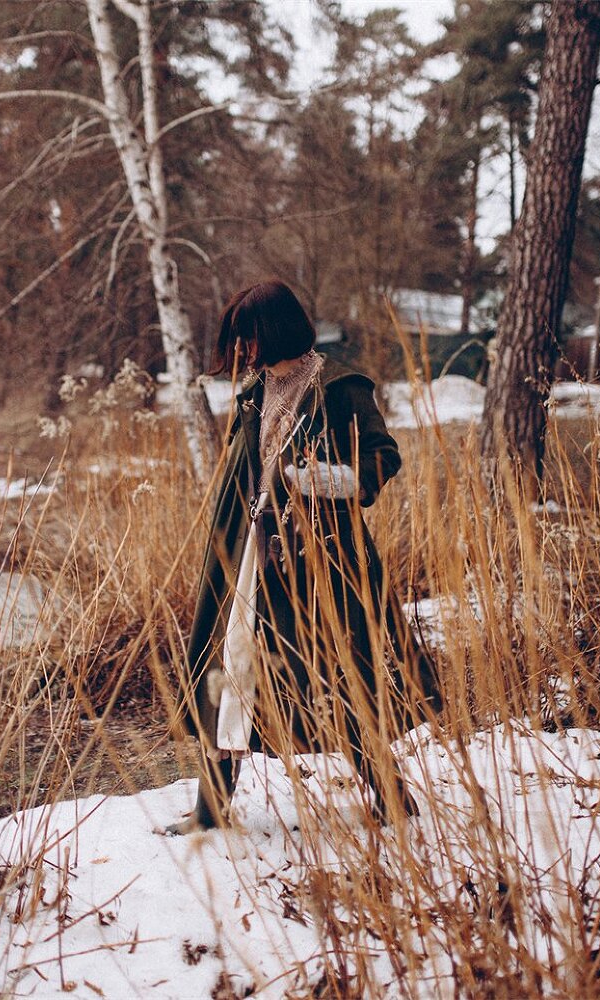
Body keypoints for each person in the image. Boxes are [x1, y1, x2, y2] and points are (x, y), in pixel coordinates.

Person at [166, 280, 440, 835]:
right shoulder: (253, 393)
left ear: (275, 331)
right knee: (232, 666)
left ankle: (391, 794)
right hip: (248, 553)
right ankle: (210, 808)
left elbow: (383, 458)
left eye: (249, 337)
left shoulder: (339, 387)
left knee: (337, 673)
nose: (242, 349)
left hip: (320, 560)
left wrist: (324, 479)